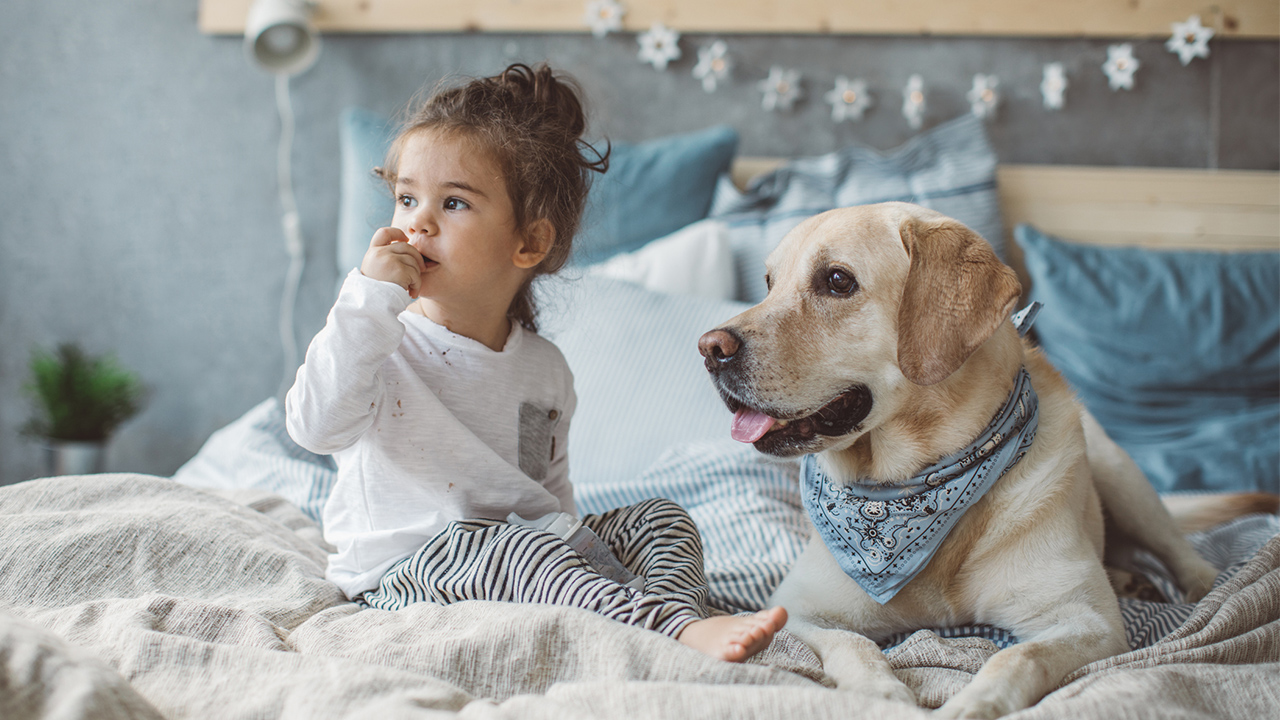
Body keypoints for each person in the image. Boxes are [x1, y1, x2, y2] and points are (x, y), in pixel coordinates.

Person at [285, 63, 786, 662]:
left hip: (521, 556)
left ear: (529, 243)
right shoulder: (375, 335)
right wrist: (368, 300)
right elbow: (314, 427)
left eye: (453, 203)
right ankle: (670, 632)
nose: (417, 221)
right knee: (522, 548)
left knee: (662, 519)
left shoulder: (544, 369)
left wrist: (591, 558)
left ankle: (671, 614)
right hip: (402, 575)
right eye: (406, 198)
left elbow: (542, 490)